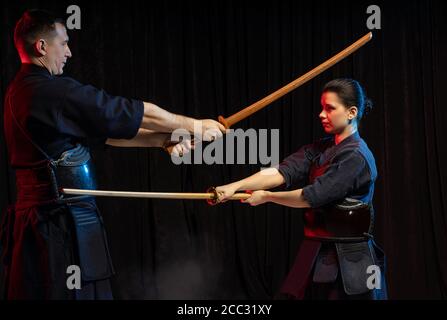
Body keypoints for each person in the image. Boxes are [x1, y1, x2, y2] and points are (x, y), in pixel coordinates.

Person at [1, 9, 225, 300]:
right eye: (63, 43)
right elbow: (124, 111)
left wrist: (164, 140)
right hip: (57, 229)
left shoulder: (21, 92)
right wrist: (193, 124)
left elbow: (104, 133)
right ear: (42, 47)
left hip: (48, 225)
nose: (69, 52)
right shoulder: (50, 92)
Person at [215, 78, 387, 300]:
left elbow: (311, 196)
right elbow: (280, 172)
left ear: (351, 112)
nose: (321, 114)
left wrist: (267, 196)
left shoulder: (356, 156)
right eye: (322, 107)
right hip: (317, 251)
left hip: (352, 259)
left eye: (329, 108)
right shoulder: (320, 148)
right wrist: (233, 186)